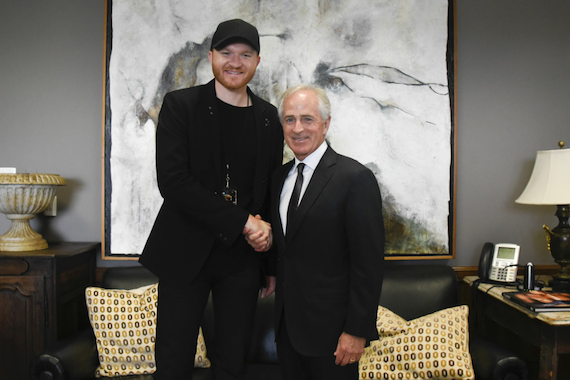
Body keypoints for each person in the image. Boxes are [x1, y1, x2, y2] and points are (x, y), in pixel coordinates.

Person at [139, 19, 283, 380]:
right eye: (227, 53)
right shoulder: (180, 106)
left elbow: (268, 193)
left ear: (257, 61)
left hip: (242, 259)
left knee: (233, 360)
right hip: (185, 251)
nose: (235, 62)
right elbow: (174, 184)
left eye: (245, 54)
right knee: (173, 358)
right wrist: (243, 221)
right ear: (211, 56)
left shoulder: (268, 117)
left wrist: (269, 265)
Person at [269, 84, 385, 379]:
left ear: (326, 123)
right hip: (287, 332)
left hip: (334, 338)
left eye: (307, 119)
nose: (298, 128)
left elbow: (368, 264)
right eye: (290, 119)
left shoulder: (355, 178)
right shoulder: (279, 178)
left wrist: (356, 331)